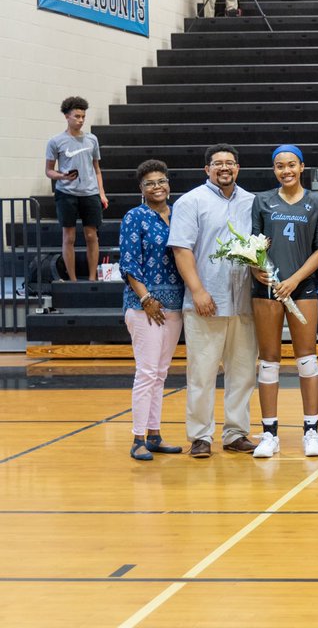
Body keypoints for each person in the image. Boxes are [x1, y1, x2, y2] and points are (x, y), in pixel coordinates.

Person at [167, 144, 257, 459]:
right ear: (207, 169)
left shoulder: (252, 202)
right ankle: (200, 436)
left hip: (244, 301)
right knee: (202, 374)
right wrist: (198, 290)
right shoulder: (190, 201)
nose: (224, 168)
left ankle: (235, 433)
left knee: (243, 373)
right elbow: (181, 249)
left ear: (238, 167)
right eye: (217, 163)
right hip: (206, 302)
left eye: (229, 163)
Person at [249, 145, 318, 459]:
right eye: (280, 166)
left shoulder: (317, 202)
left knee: (307, 359)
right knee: (269, 361)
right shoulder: (262, 201)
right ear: (274, 170)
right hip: (266, 290)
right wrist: (257, 270)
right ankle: (269, 434)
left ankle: (311, 430)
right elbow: (252, 243)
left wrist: (295, 280)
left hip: (302, 287)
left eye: (291, 165)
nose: (286, 171)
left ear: (301, 167)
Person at [120, 160, 184, 461]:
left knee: (161, 373)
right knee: (146, 372)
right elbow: (129, 264)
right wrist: (146, 299)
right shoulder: (135, 216)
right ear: (141, 189)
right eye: (150, 183)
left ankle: (155, 434)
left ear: (168, 184)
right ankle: (138, 438)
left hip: (175, 304)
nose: (157, 187)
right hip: (144, 307)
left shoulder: (179, 215)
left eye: (161, 181)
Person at [45, 96, 108, 282]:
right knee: (69, 237)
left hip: (90, 193)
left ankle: (92, 278)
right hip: (66, 193)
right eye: (77, 116)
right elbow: (49, 171)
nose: (80, 120)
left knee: (91, 235)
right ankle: (72, 280)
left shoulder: (92, 139)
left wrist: (101, 192)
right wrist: (62, 175)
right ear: (67, 116)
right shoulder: (56, 141)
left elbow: (97, 168)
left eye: (83, 116)